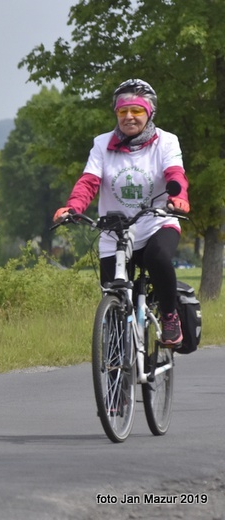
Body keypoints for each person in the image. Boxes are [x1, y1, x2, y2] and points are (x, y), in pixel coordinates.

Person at [53, 78, 190, 345]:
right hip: (115, 231)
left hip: (155, 224)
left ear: (149, 113)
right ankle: (115, 362)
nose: (129, 117)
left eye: (136, 111)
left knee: (158, 258)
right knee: (112, 294)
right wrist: (73, 207)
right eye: (122, 111)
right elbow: (89, 182)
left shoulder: (167, 142)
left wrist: (179, 197)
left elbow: (175, 174)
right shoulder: (102, 144)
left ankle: (170, 316)